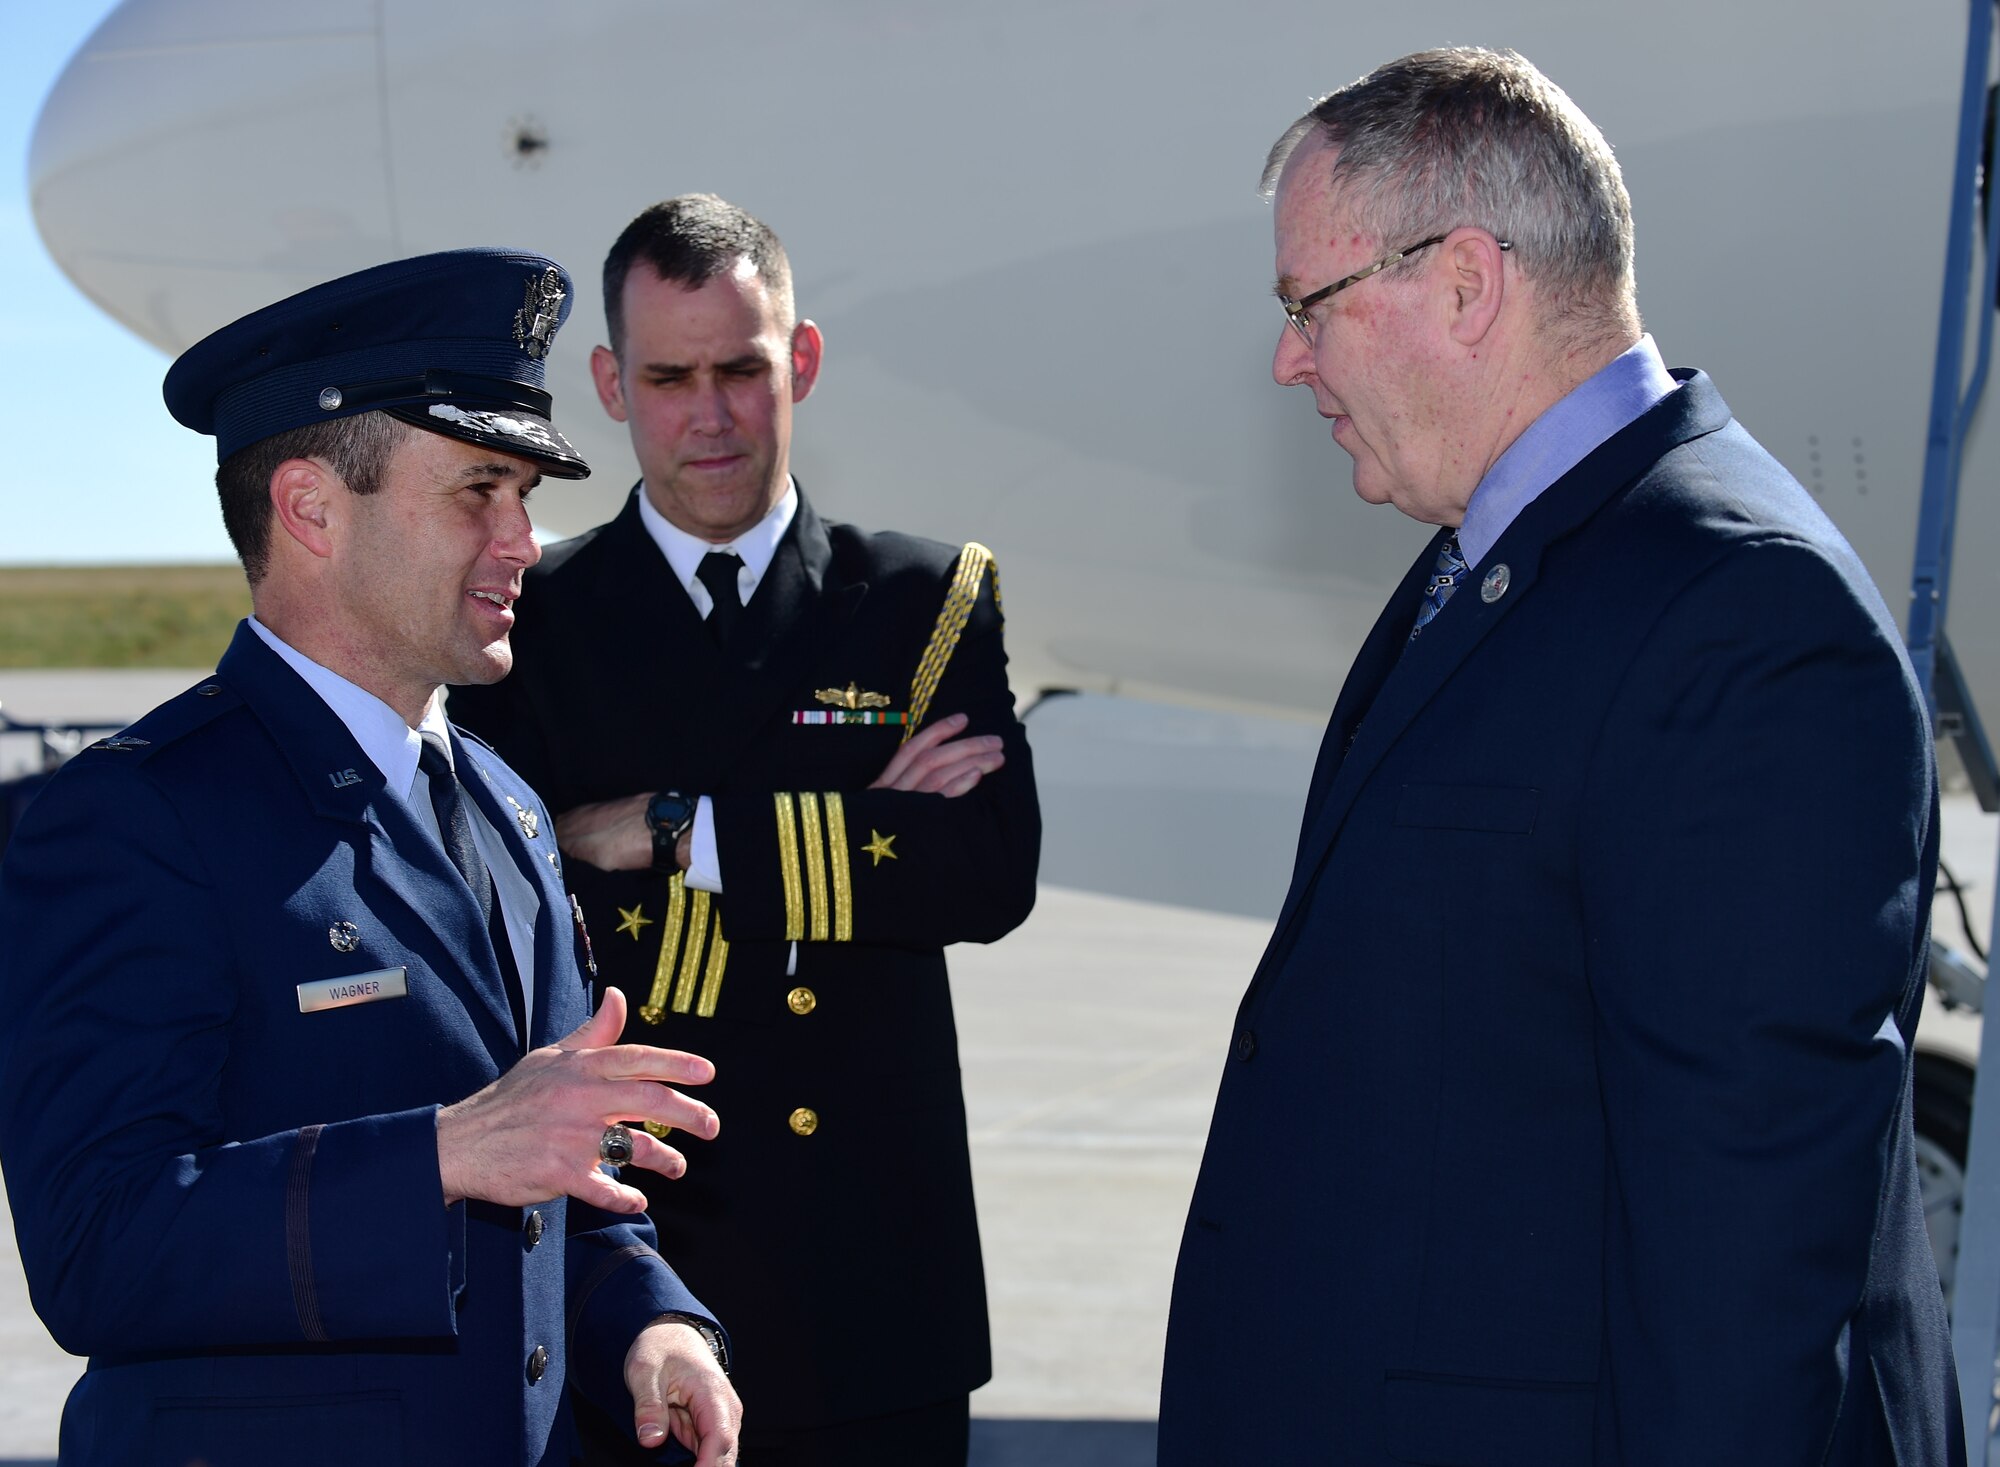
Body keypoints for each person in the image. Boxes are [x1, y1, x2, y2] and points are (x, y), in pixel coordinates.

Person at [1159, 48, 1962, 1466]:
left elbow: (1750, 1236)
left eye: (1310, 305)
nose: (1289, 355)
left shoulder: (1741, 615)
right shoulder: (1499, 560)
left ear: (1465, 282)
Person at [0, 249, 742, 1467]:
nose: (524, 538)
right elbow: (97, 1249)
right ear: (310, 511)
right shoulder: (135, 817)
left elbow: (558, 1160)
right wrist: (444, 1155)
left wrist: (647, 1318)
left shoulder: (500, 801)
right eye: (477, 492)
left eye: (526, 493)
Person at [448, 196, 1040, 1466]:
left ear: (802, 362)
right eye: (667, 377)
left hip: (871, 1281)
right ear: (609, 383)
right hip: (636, 1263)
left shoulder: (919, 601)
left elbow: (984, 874)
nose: (706, 415)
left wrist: (667, 829)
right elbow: (492, 899)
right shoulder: (524, 626)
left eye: (740, 370)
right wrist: (853, 830)